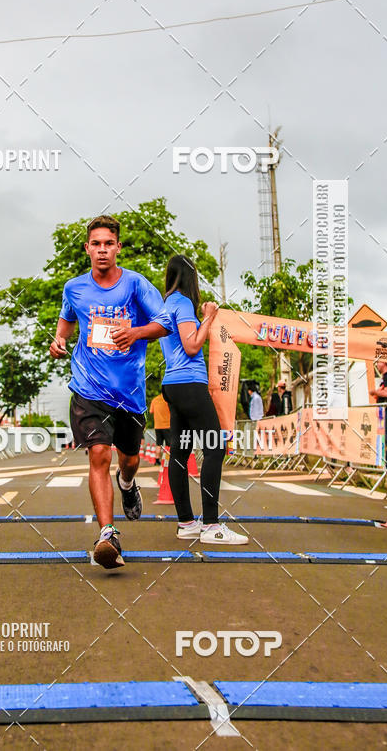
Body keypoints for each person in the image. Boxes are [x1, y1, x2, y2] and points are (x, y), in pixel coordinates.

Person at [49, 215, 171, 569]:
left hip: (128, 391)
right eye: (96, 244)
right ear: (87, 248)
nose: (102, 250)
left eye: (109, 243)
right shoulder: (74, 288)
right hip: (88, 388)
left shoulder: (135, 285)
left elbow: (164, 322)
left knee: (128, 458)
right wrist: (58, 344)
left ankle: (128, 482)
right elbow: (65, 329)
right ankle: (107, 534)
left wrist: (135, 333)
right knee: (98, 454)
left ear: (118, 247)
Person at [159, 255, 248, 545]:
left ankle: (186, 523)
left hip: (173, 384)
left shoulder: (165, 305)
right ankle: (211, 525)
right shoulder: (183, 304)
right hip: (189, 384)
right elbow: (192, 344)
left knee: (181, 452)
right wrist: (208, 316)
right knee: (215, 448)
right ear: (191, 278)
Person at [149, 392, 171, 464]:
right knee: (169, 445)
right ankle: (168, 460)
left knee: (159, 444)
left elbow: (151, 411)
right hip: (167, 425)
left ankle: (157, 460)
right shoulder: (168, 400)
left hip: (157, 426)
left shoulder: (155, 400)